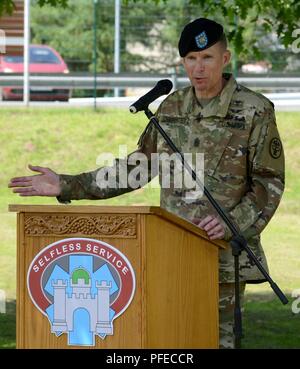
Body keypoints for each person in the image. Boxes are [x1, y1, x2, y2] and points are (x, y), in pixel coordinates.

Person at [8, 18, 285, 349]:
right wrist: (66, 185)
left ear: (225, 59)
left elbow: (268, 183)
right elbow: (137, 168)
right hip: (170, 255)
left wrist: (233, 224)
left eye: (207, 58)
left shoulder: (254, 110)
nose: (198, 68)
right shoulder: (171, 107)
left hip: (223, 259)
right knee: (170, 344)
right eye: (191, 59)